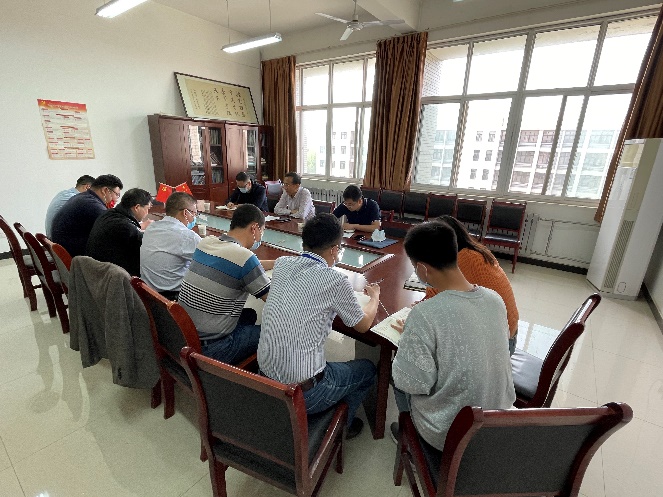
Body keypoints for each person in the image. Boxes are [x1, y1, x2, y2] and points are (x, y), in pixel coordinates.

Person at [390, 220, 515, 450]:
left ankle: (410, 439)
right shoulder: (494, 299)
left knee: (397, 374)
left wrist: (408, 341)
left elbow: (412, 382)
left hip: (450, 435)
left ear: (422, 269)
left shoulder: (424, 315)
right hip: (496, 423)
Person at [258, 213, 380, 439]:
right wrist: (374, 297)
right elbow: (363, 325)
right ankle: (342, 428)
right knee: (367, 370)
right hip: (303, 393)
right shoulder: (335, 280)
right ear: (334, 249)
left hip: (263, 379)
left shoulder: (283, 264)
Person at [178, 204, 275, 365]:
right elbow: (274, 300)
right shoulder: (245, 258)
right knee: (274, 333)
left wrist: (275, 263)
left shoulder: (206, 243)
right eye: (262, 231)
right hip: (213, 349)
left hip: (185, 336)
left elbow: (242, 263)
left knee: (250, 315)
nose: (261, 237)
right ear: (254, 228)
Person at [427, 215, 520, 355]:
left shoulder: (465, 259)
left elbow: (436, 296)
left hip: (501, 346)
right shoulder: (475, 250)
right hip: (508, 334)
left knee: (431, 340)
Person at [140, 192, 202, 300]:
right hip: (174, 298)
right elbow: (210, 261)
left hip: (150, 295)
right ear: (185, 213)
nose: (194, 218)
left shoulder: (152, 228)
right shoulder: (186, 236)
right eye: (194, 213)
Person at [51, 174, 124, 257]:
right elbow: (115, 227)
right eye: (117, 194)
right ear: (105, 190)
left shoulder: (82, 198)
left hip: (65, 250)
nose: (116, 199)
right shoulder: (91, 204)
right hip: (74, 256)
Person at [86, 188, 153, 276]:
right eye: (147, 208)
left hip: (96, 271)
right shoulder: (125, 226)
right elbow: (146, 245)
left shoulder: (108, 214)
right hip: (112, 276)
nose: (147, 213)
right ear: (137, 207)